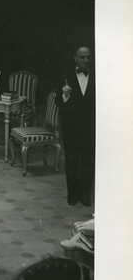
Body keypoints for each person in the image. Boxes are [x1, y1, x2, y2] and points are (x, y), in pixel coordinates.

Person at [56, 46, 95, 206]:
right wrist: (64, 95)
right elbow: (58, 100)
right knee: (71, 161)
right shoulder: (66, 76)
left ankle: (85, 196)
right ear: (75, 58)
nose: (86, 60)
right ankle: (72, 195)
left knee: (88, 161)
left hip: (90, 127)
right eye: (82, 57)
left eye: (88, 57)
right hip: (70, 126)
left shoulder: (98, 76)